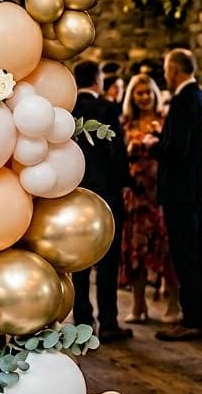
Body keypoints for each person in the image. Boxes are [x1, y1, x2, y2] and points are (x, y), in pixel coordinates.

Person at [156, 49, 202, 342]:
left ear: (176, 70)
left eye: (167, 69)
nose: (165, 75)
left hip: (181, 191)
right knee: (199, 252)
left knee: (186, 255)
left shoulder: (182, 101)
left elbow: (176, 149)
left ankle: (192, 319)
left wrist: (152, 144)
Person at [71, 60, 132, 341]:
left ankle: (82, 321)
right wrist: (125, 183)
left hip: (76, 195)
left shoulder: (67, 110)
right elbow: (117, 154)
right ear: (97, 80)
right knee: (108, 261)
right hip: (106, 195)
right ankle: (109, 322)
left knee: (79, 260)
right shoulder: (106, 109)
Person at [119, 72, 173, 324]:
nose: (144, 97)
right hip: (136, 195)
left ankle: (174, 304)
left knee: (167, 249)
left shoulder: (164, 120)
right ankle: (139, 306)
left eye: (148, 92)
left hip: (160, 192)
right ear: (132, 96)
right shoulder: (126, 122)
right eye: (139, 93)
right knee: (136, 252)